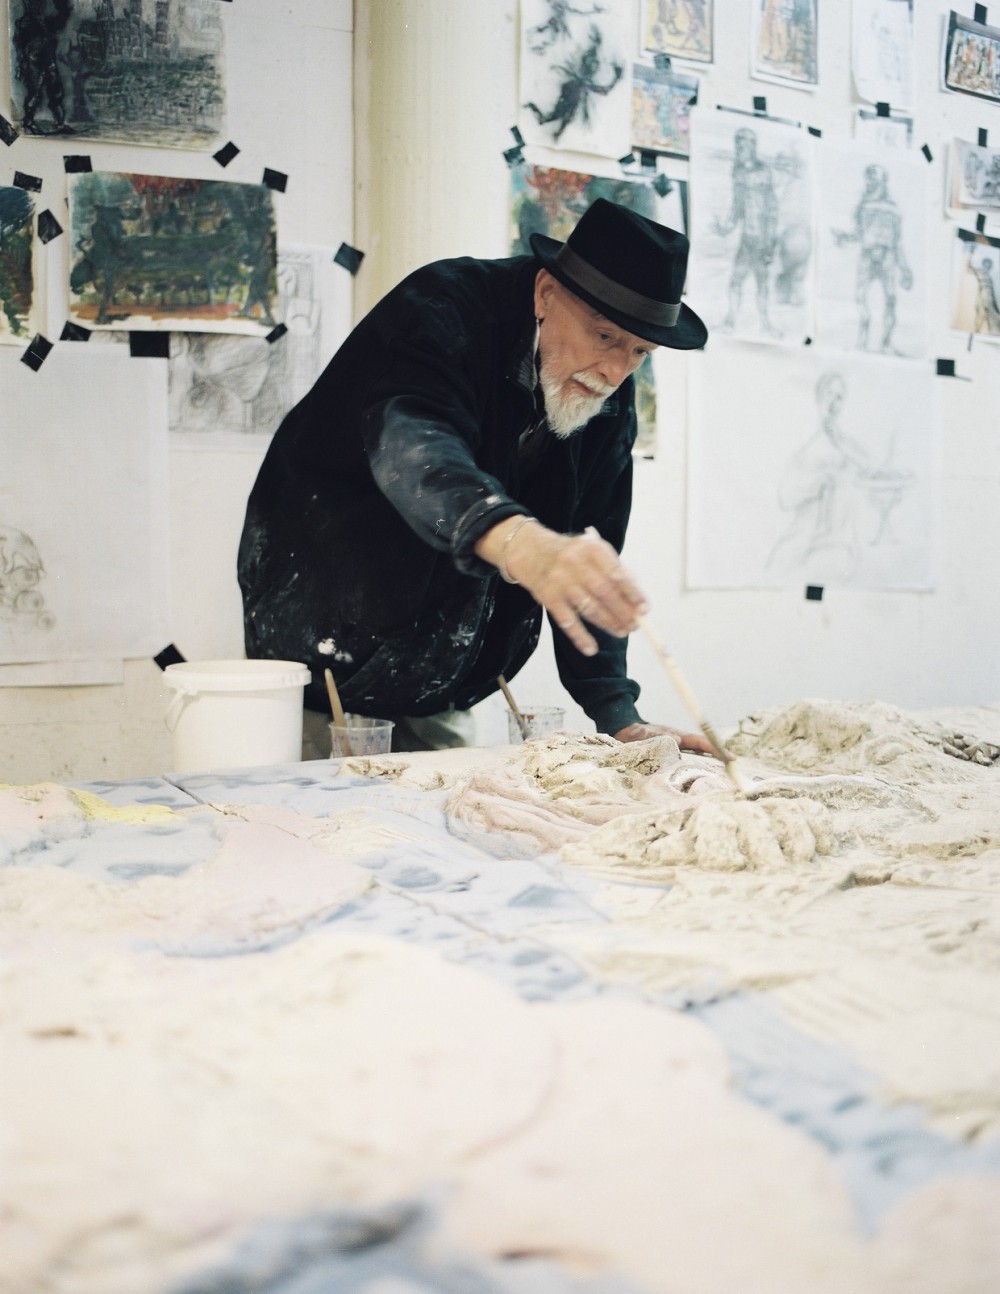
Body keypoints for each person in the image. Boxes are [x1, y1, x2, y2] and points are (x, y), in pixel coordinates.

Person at [238, 198, 711, 755]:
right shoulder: (444, 309)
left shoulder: (606, 392)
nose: (615, 370)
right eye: (605, 336)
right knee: (329, 803)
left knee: (446, 806)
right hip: (326, 629)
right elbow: (414, 445)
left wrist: (617, 714)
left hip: (441, 666)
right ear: (546, 294)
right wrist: (521, 542)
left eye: (640, 351)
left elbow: (589, 554)